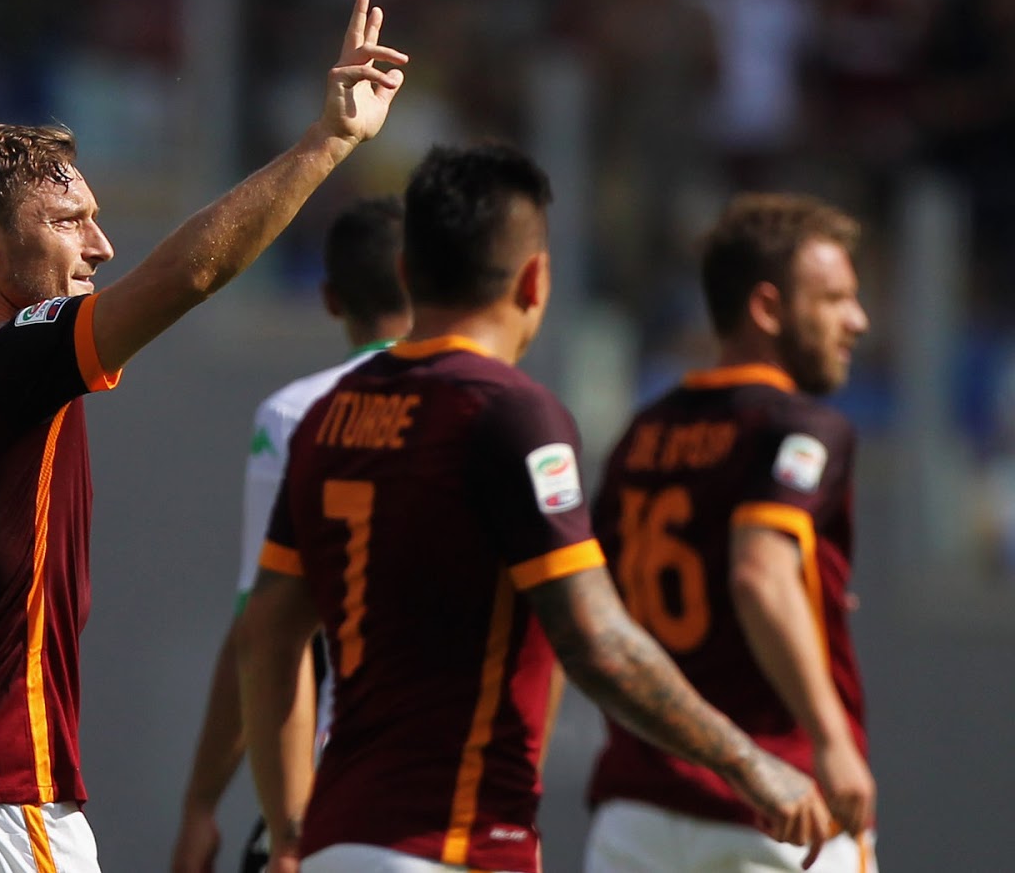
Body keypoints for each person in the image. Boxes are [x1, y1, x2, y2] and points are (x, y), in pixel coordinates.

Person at [0, 0, 408, 873]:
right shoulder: (12, 362)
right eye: (70, 222)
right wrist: (327, 142)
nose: (100, 247)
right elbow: (189, 276)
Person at [235, 143, 835, 873]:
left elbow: (265, 637)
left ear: (407, 271)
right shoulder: (508, 411)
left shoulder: (329, 416)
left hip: (337, 843)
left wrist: (290, 828)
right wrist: (748, 763)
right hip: (451, 845)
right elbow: (594, 639)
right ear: (535, 279)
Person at [583, 192, 876, 872]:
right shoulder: (803, 427)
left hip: (634, 814)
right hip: (779, 803)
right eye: (834, 299)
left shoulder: (642, 434)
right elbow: (757, 575)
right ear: (768, 308)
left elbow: (594, 605)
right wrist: (832, 741)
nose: (857, 320)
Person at [171, 196, 412, 873]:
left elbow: (265, 631)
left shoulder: (298, 414)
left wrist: (203, 808)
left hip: (338, 798)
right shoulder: (499, 405)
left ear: (331, 300)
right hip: (470, 805)